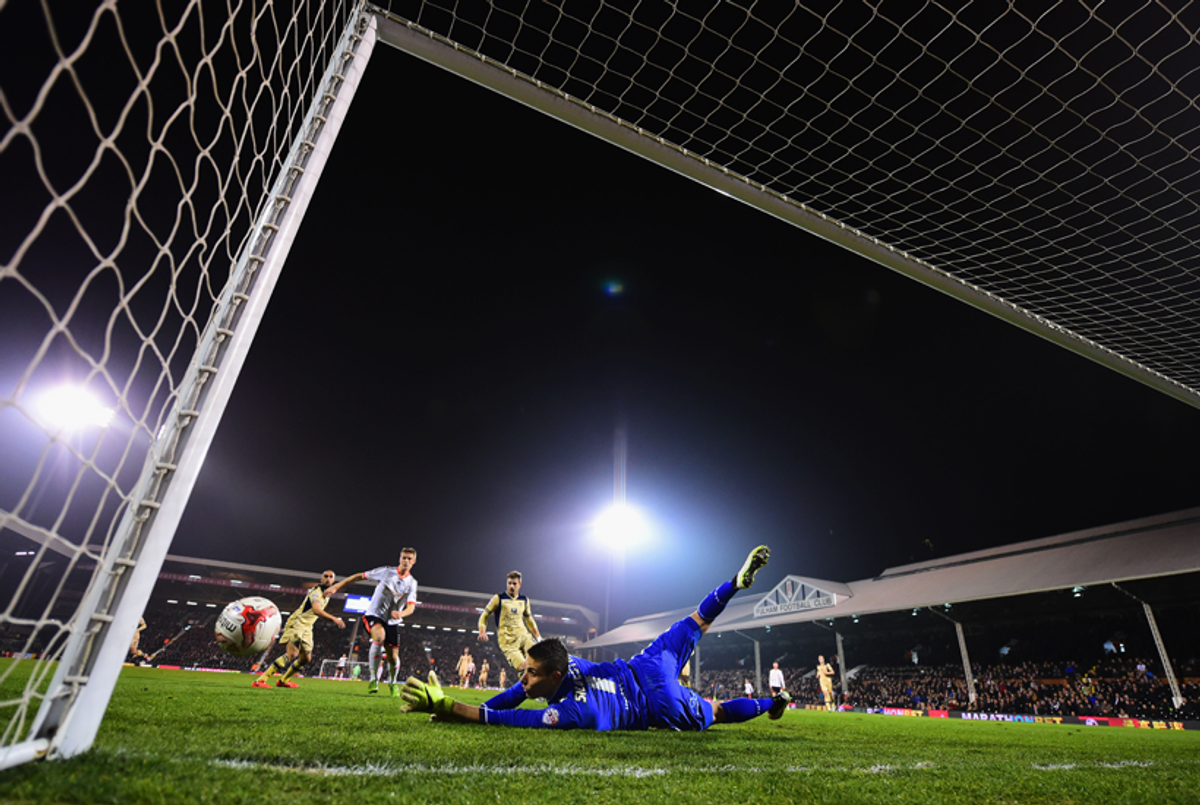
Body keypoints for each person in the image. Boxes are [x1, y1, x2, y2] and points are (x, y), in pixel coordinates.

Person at [401, 545, 792, 731]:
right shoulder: (557, 664)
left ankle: (769, 703)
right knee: (697, 621)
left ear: (555, 677)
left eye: (530, 674)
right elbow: (512, 696)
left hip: (659, 704)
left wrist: (452, 708)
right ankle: (733, 585)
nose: (524, 679)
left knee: (718, 712)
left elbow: (508, 717)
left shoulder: (572, 711)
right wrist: (452, 709)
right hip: (646, 664)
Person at [326, 549, 419, 697]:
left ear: (413, 561)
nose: (406, 561)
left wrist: (400, 614)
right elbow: (359, 576)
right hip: (374, 615)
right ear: (399, 558)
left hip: (393, 621)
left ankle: (393, 682)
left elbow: (411, 607)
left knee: (393, 658)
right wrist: (337, 586)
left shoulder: (412, 583)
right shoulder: (386, 572)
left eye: (409, 559)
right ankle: (373, 679)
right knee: (379, 637)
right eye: (404, 558)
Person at [253, 569, 352, 689]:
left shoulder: (328, 594)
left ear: (334, 580)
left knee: (306, 658)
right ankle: (261, 680)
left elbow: (344, 582)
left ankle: (284, 680)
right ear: (321, 579)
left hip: (307, 627)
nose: (328, 578)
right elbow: (316, 610)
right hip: (297, 622)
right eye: (325, 576)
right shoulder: (316, 592)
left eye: (331, 577)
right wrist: (334, 619)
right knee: (292, 654)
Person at [477, 570, 542, 671]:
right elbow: (484, 616)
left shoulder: (524, 599)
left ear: (519, 585)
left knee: (540, 658)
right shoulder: (498, 598)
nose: (511, 586)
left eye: (514, 583)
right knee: (523, 667)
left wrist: (538, 637)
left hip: (523, 636)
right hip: (508, 642)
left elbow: (529, 619)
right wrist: (482, 632)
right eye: (509, 583)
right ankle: (526, 685)